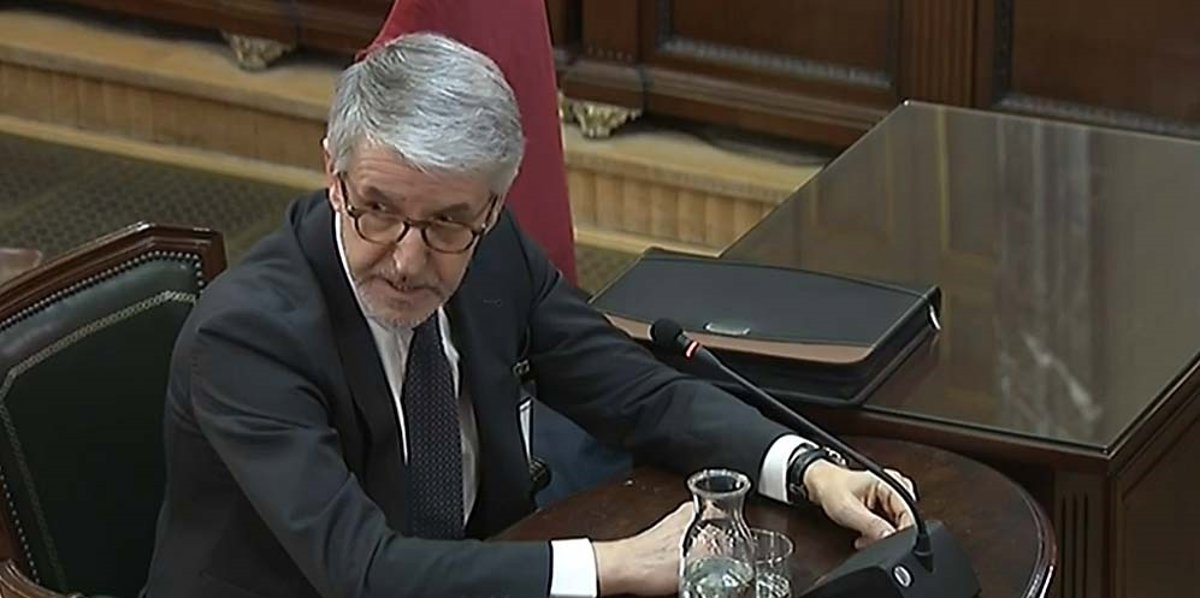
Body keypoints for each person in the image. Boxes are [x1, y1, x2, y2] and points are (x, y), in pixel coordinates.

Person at [143, 33, 916, 598]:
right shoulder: (249, 337)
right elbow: (365, 571)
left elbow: (637, 393)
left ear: (492, 206)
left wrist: (810, 470)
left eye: (447, 223)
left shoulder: (494, 252)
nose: (407, 261)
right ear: (332, 175)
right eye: (375, 210)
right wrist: (617, 564)